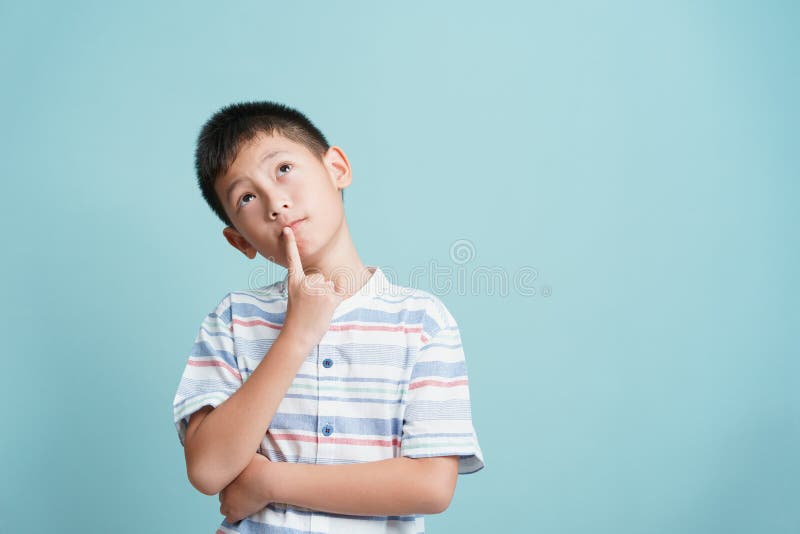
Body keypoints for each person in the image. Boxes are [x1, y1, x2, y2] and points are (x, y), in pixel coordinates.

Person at [172, 101, 485, 533]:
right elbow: (208, 469)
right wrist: (296, 334)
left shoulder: (422, 320)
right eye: (246, 197)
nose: (276, 203)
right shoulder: (232, 320)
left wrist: (270, 481)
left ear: (336, 168)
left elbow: (431, 486)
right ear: (239, 241)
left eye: (283, 168)